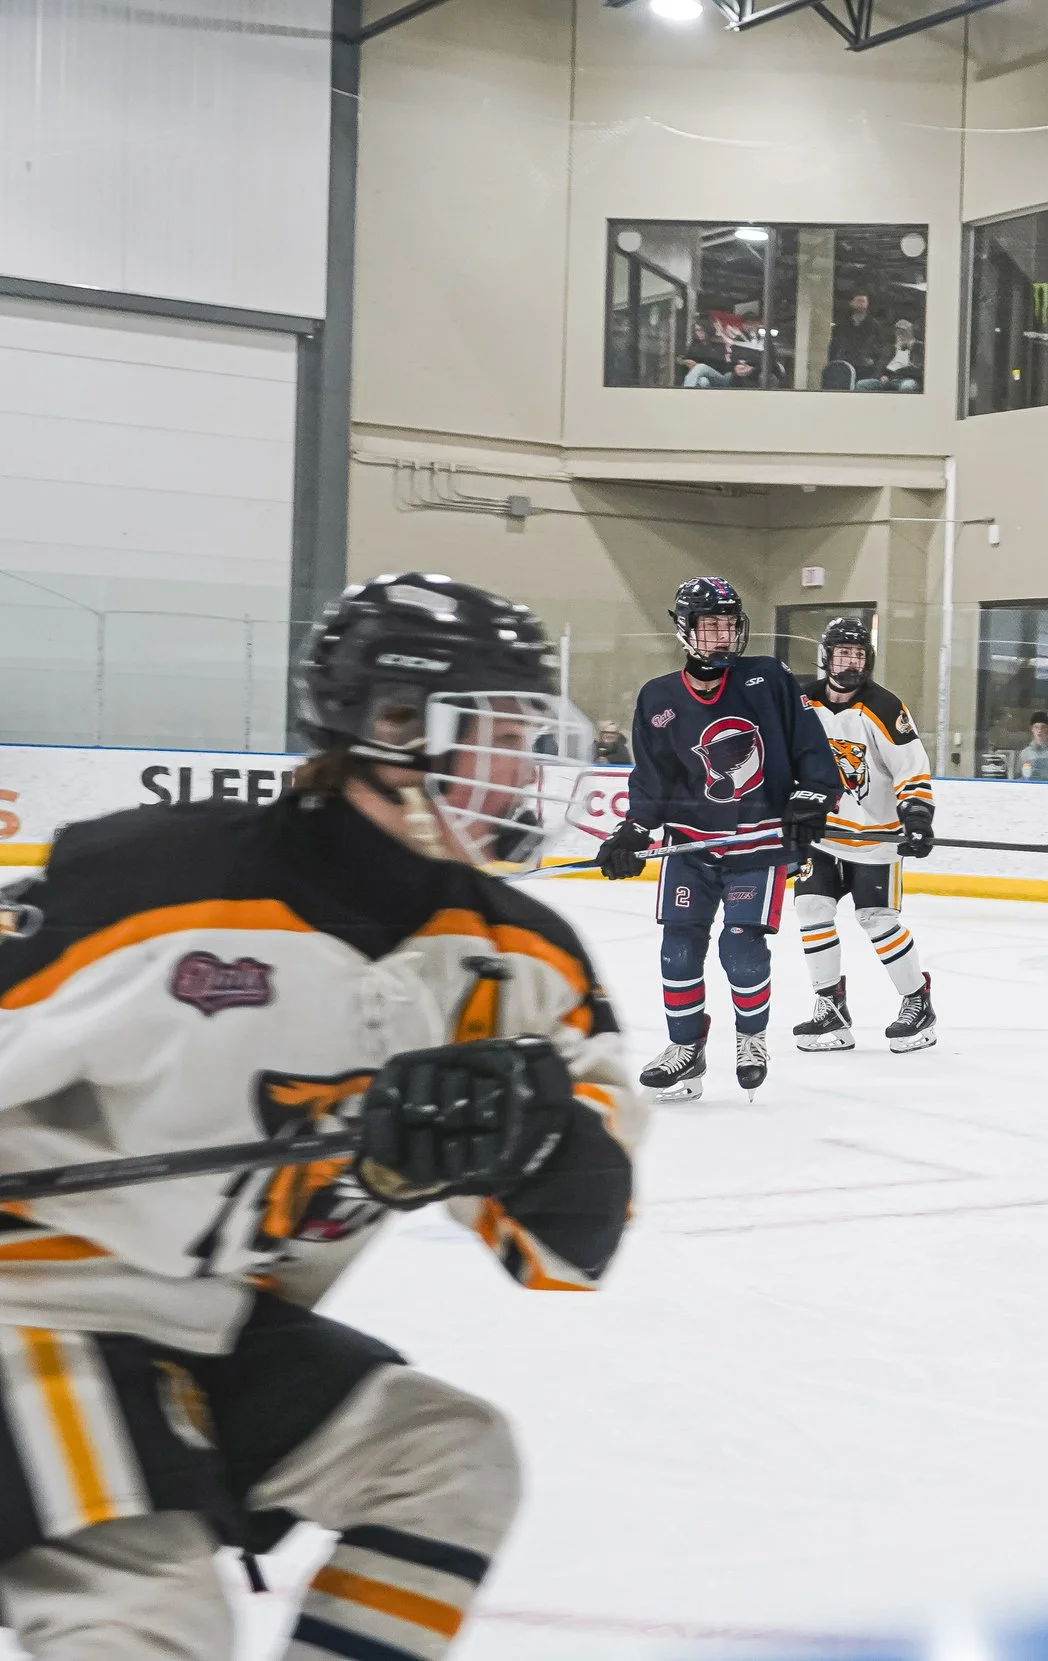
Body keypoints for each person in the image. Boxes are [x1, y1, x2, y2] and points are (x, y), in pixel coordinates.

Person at [0, 573, 641, 1657]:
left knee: (447, 1461)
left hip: (211, 1325)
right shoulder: (154, 886)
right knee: (151, 1610)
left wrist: (538, 1140)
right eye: (500, 734)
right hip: (31, 1301)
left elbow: (569, 1251)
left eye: (530, 737)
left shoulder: (522, 961)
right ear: (392, 728)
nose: (527, 768)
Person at [596, 577, 840, 1102]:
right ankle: (686, 1049)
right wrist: (633, 829)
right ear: (685, 630)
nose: (723, 635)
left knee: (741, 948)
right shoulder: (658, 697)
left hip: (759, 845)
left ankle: (751, 1039)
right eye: (710, 625)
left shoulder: (767, 678)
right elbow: (654, 779)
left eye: (729, 624)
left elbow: (810, 745)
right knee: (679, 948)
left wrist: (812, 797)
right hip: (693, 845)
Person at [792, 617, 938, 1056]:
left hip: (876, 839)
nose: (851, 662)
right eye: (843, 654)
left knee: (877, 919)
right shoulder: (803, 702)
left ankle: (917, 1003)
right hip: (822, 836)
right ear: (826, 658)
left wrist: (917, 816)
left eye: (858, 655)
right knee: (811, 909)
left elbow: (911, 767)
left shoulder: (885, 707)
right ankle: (830, 1007)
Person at [825, 291, 880, 387]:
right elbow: (834, 346)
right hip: (843, 368)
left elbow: (880, 348)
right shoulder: (842, 325)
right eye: (858, 301)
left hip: (866, 370)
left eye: (863, 301)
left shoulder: (875, 326)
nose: (860, 304)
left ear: (867, 304)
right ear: (852, 303)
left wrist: (874, 365)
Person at [855, 319, 922, 392]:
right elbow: (880, 367)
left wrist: (910, 346)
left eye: (904, 331)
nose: (900, 334)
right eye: (898, 331)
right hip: (888, 380)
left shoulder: (919, 347)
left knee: (907, 386)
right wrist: (882, 376)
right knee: (861, 384)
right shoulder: (890, 349)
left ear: (911, 333)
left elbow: (918, 369)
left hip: (907, 379)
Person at [1016, 712, 1048, 780]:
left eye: (1043, 727)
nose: (1039, 730)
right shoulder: (1025, 753)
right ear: (1032, 729)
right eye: (1036, 727)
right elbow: (1019, 778)